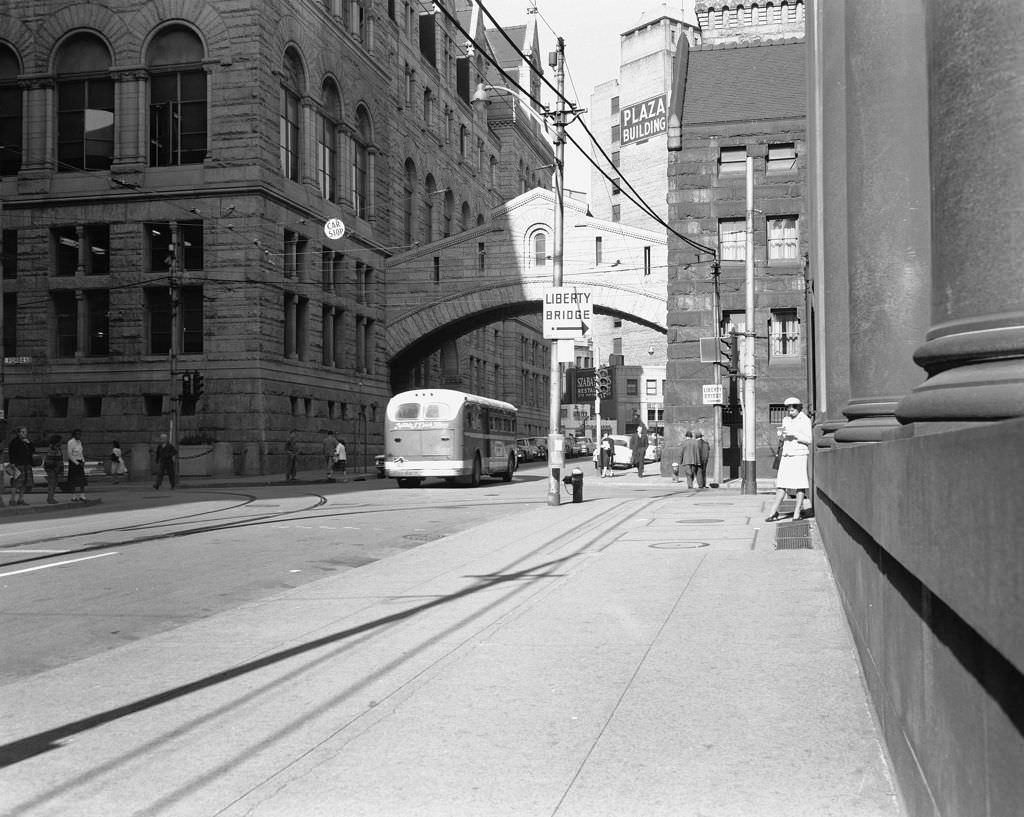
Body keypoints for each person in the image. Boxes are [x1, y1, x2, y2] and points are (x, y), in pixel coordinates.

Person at [765, 396, 813, 522]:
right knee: (781, 484)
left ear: (798, 408)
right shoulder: (786, 419)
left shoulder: (805, 420)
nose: (790, 412)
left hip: (799, 454)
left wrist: (795, 435)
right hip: (786, 454)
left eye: (792, 410)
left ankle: (797, 512)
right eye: (788, 410)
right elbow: (783, 435)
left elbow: (809, 439)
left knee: (800, 484)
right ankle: (773, 512)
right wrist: (782, 435)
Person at [7, 426, 36, 505]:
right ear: (18, 433)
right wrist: (12, 463)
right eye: (22, 432)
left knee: (25, 483)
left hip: (27, 464)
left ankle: (20, 499)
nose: (24, 433)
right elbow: (11, 453)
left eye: (25, 432)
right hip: (18, 464)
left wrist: (29, 443)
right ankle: (12, 500)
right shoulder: (14, 441)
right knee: (16, 483)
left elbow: (33, 450)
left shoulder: (27, 441)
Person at [66, 428, 87, 501]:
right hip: (73, 462)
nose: (79, 436)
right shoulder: (70, 442)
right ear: (74, 434)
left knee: (82, 479)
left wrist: (83, 461)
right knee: (73, 479)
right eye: (77, 434)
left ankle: (82, 495)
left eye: (80, 434)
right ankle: (73, 495)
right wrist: (77, 463)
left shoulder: (80, 442)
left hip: (80, 461)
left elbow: (81, 453)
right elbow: (69, 454)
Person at [43, 434, 64, 504]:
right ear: (57, 441)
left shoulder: (58, 448)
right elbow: (49, 461)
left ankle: (51, 497)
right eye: (60, 441)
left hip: (56, 469)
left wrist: (60, 468)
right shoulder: (52, 449)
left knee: (54, 483)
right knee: (52, 483)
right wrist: (56, 468)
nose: (61, 442)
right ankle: (50, 498)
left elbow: (60, 460)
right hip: (51, 469)